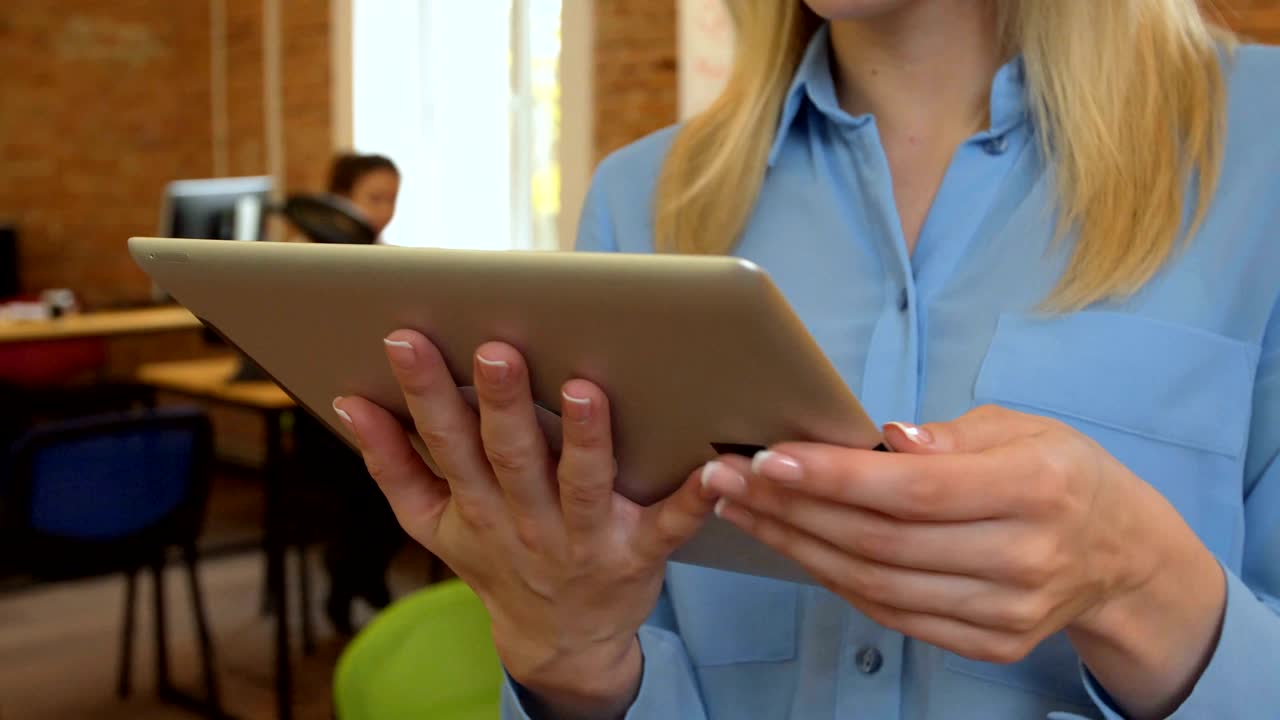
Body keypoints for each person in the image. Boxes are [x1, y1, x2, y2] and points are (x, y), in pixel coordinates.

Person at [333, 1, 1280, 717]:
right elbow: (616, 662)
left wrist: (1143, 585)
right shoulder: (642, 202)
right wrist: (567, 653)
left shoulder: (1262, 150)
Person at [295, 152, 406, 634]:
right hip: (324, 411)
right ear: (339, 201)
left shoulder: (384, 257)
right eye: (374, 198)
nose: (383, 211)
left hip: (377, 401)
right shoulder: (303, 259)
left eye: (392, 200)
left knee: (402, 478)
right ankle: (349, 580)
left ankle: (361, 575)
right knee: (362, 486)